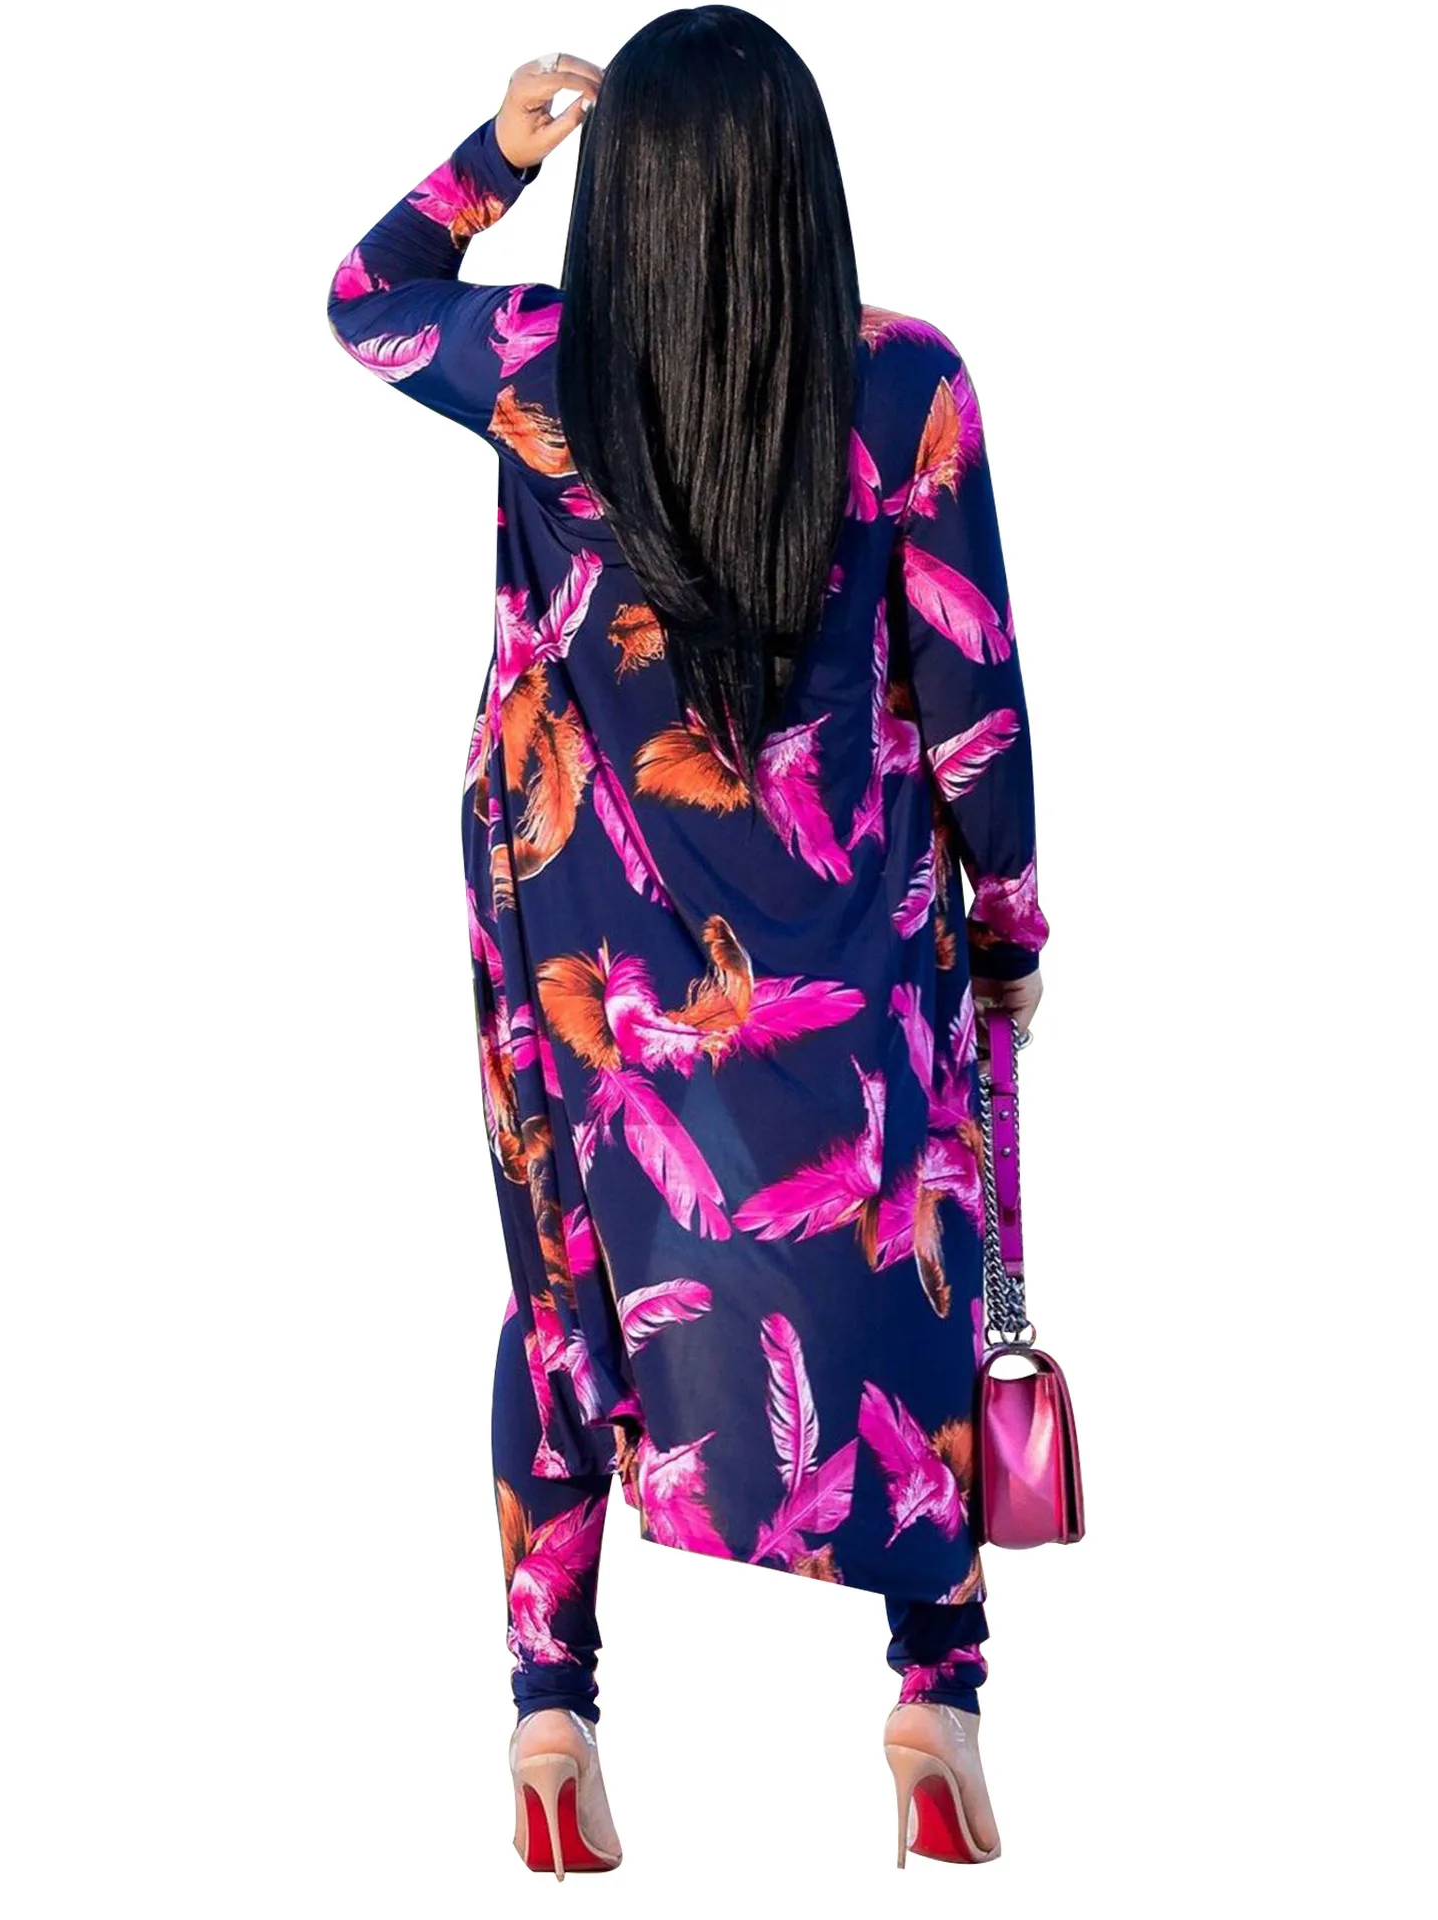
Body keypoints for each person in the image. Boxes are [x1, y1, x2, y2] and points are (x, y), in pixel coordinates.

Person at [326, 7, 1047, 1873]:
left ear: (627, 190)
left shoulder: (539, 367)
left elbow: (366, 298)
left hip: (583, 936)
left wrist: (494, 157)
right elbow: (972, 701)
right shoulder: (903, 383)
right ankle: (935, 1696)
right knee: (907, 1242)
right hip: (849, 921)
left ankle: (551, 1710)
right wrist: (1009, 921)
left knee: (572, 1281)